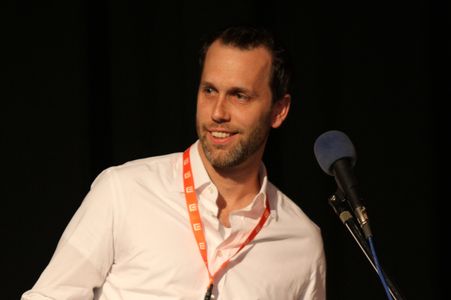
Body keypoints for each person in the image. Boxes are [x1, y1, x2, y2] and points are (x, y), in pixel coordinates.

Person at [22, 25, 326, 300]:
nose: (218, 112)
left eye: (239, 96)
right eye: (209, 90)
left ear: (279, 111)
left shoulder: (301, 241)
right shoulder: (124, 190)